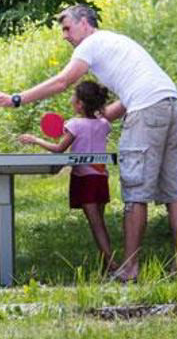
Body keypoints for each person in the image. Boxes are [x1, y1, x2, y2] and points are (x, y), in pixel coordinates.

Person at [0, 3, 177, 280]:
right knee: (175, 193)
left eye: (67, 28)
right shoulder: (116, 42)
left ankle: (129, 269)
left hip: (145, 109)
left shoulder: (90, 44)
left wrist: (16, 99)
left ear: (85, 24)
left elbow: (61, 82)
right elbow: (124, 103)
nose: (65, 35)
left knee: (136, 192)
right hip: (170, 102)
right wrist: (94, 120)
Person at [18, 80, 117, 273]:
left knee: (96, 225)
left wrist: (35, 140)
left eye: (73, 97)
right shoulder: (104, 124)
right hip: (100, 179)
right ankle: (107, 267)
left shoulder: (75, 125)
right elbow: (93, 131)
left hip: (84, 180)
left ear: (79, 104)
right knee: (100, 224)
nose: (71, 99)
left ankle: (113, 265)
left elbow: (59, 149)